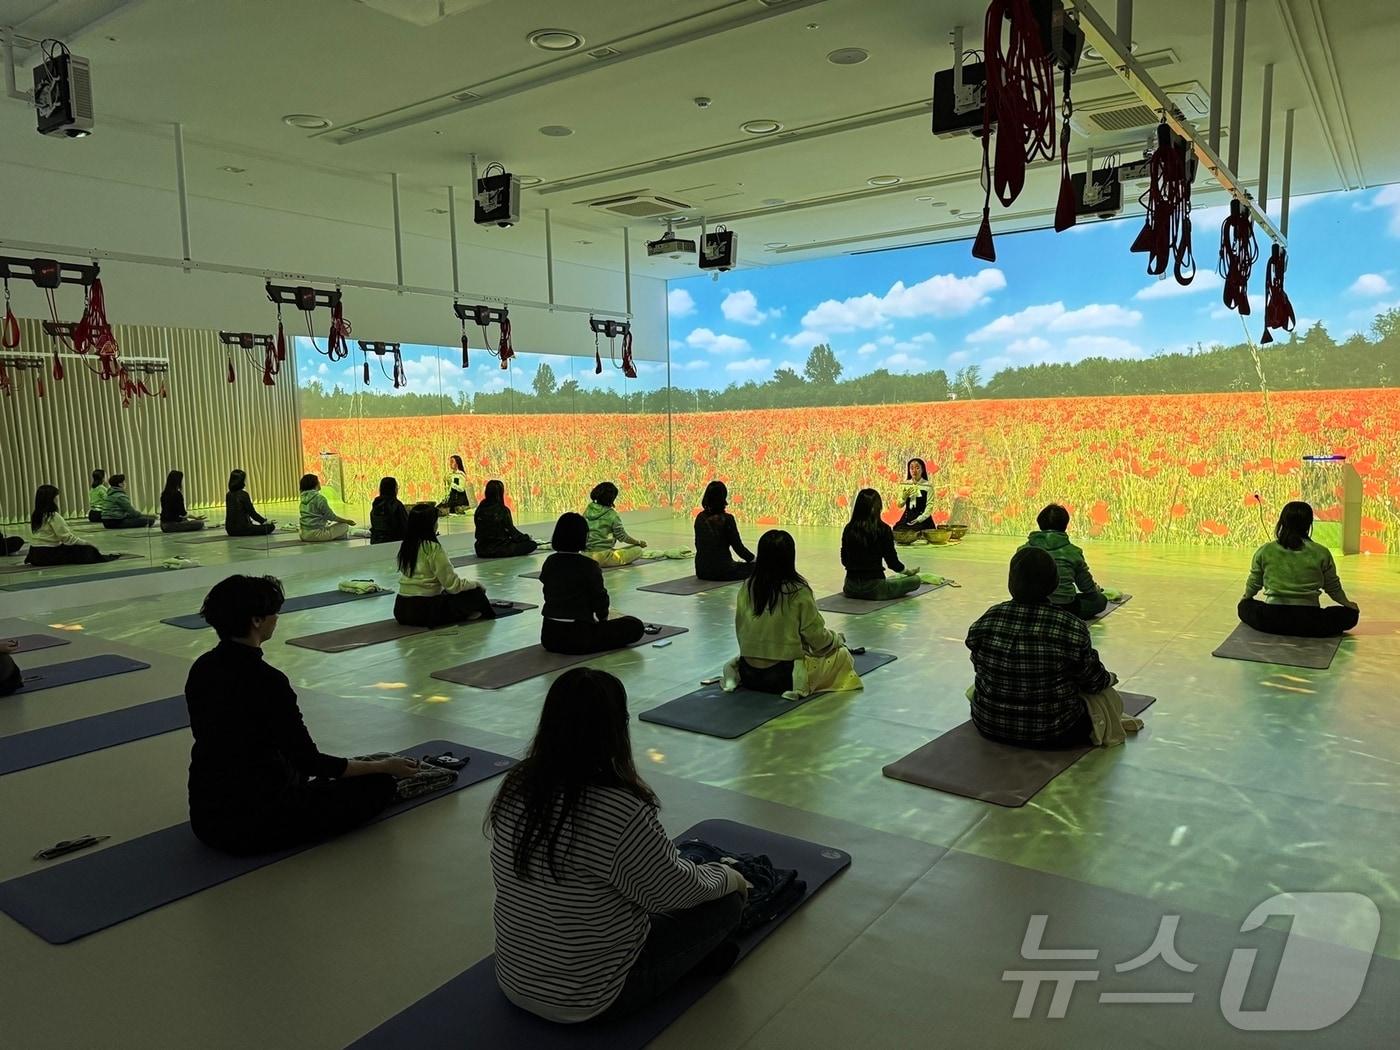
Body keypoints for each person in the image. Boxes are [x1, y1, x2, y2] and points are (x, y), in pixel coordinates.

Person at [486, 667, 748, 1023]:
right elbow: (672, 894)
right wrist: (729, 877)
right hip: (592, 999)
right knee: (726, 903)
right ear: (615, 729)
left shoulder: (517, 784)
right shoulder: (619, 807)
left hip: (514, 979)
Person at [185, 574, 420, 854]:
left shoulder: (202, 667)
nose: (277, 619)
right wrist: (383, 767)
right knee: (378, 787)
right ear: (257, 620)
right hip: (252, 827)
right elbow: (311, 763)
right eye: (274, 613)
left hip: (205, 818)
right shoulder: (269, 681)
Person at [966, 547, 1140, 750]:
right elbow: (1093, 682)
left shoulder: (988, 618)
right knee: (1105, 696)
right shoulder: (1070, 625)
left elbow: (980, 666)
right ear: (1055, 583)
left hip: (989, 724)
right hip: (1056, 731)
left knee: (974, 689)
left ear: (1011, 582)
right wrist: (1110, 678)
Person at [724, 529, 859, 699]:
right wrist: (836, 640)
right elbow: (816, 638)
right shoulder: (798, 591)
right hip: (784, 677)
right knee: (842, 656)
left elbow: (741, 629)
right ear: (789, 558)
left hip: (748, 673)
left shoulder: (747, 587)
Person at [1239, 501, 1360, 637]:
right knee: (1350, 615)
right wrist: (1347, 604)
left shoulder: (1265, 550)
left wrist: (1245, 599)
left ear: (1282, 522)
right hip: (1309, 620)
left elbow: (1254, 582)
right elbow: (1332, 587)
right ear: (1309, 524)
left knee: (1244, 607)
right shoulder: (1321, 552)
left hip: (1272, 618)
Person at [540, 512, 644, 655]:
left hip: (549, 637)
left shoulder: (550, 562)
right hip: (580, 637)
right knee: (635, 626)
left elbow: (548, 593)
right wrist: (603, 620)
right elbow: (600, 600)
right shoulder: (589, 566)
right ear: (584, 537)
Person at [394, 504, 495, 627]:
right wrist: (476, 584)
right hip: (425, 610)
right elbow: (453, 586)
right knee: (476, 594)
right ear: (430, 524)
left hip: (401, 608)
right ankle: (467, 614)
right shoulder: (433, 549)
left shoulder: (406, 547)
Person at [1022, 504, 1108, 620]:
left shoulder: (1023, 550)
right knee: (1101, 600)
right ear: (1065, 525)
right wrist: (1096, 590)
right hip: (1065, 608)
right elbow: (1088, 589)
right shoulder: (1073, 552)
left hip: (1029, 606)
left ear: (1040, 522)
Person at [840, 488, 920, 601]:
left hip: (850, 588)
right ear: (878, 507)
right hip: (875, 589)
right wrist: (907, 572)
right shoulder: (883, 529)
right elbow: (892, 562)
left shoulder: (849, 529)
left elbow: (844, 560)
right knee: (915, 580)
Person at [26, 485, 115, 565]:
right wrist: (87, 544)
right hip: (47, 554)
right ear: (51, 499)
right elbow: (67, 538)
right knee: (86, 550)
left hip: (34, 553)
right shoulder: (53, 516)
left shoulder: (36, 515)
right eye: (56, 497)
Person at [694, 480, 754, 581]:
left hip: (702, 571)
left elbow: (698, 544)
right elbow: (738, 548)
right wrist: (754, 559)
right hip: (723, 571)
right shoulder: (727, 519)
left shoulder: (700, 517)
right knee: (758, 568)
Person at [583, 481, 647, 567]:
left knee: (618, 551)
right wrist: (638, 542)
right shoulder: (612, 515)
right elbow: (622, 537)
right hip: (603, 557)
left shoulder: (588, 510)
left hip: (585, 556)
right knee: (638, 550)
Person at [474, 479, 538, 558]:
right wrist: (525, 537)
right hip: (500, 548)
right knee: (531, 545)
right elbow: (512, 532)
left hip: (481, 549)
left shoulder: (480, 509)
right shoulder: (502, 510)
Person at [298, 474, 355, 542]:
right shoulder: (319, 498)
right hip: (316, 534)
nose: (319, 483)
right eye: (318, 481)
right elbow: (331, 517)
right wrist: (347, 521)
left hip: (303, 534)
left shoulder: (302, 499)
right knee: (344, 526)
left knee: (333, 527)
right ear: (315, 484)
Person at [893, 458, 936, 545]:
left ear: (922, 469)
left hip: (923, 518)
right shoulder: (905, 484)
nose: (914, 471)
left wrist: (920, 519)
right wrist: (904, 498)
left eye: (917, 468)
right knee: (897, 530)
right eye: (911, 468)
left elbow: (929, 505)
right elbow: (899, 505)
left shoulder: (928, 486)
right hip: (907, 516)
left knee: (922, 534)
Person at [225, 469, 276, 537]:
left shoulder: (228, 494)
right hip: (242, 529)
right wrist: (264, 521)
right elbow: (252, 513)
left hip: (230, 530)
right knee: (271, 526)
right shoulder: (243, 494)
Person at [370, 477, 408, 545]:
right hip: (394, 542)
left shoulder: (376, 503)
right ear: (393, 489)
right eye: (396, 486)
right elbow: (405, 526)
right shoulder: (396, 504)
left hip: (375, 542)